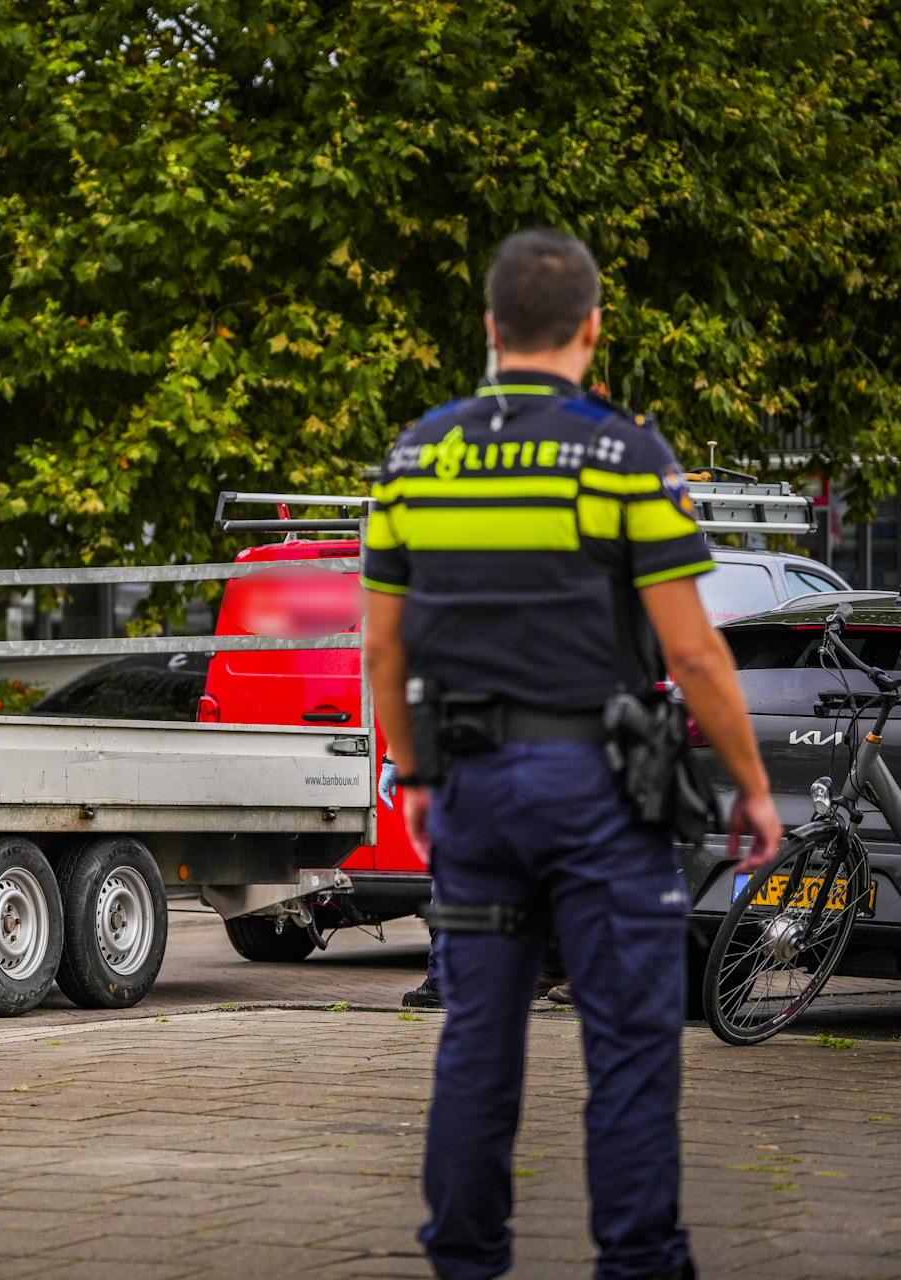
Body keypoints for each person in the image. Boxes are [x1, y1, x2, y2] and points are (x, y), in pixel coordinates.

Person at [361, 228, 781, 1280]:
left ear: (492, 331)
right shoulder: (624, 453)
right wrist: (753, 787)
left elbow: (381, 643)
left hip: (468, 787)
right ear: (593, 328)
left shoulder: (419, 456)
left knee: (476, 1044)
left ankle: (465, 1261)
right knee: (630, 1050)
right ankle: (638, 1263)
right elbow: (691, 648)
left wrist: (413, 777)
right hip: (600, 792)